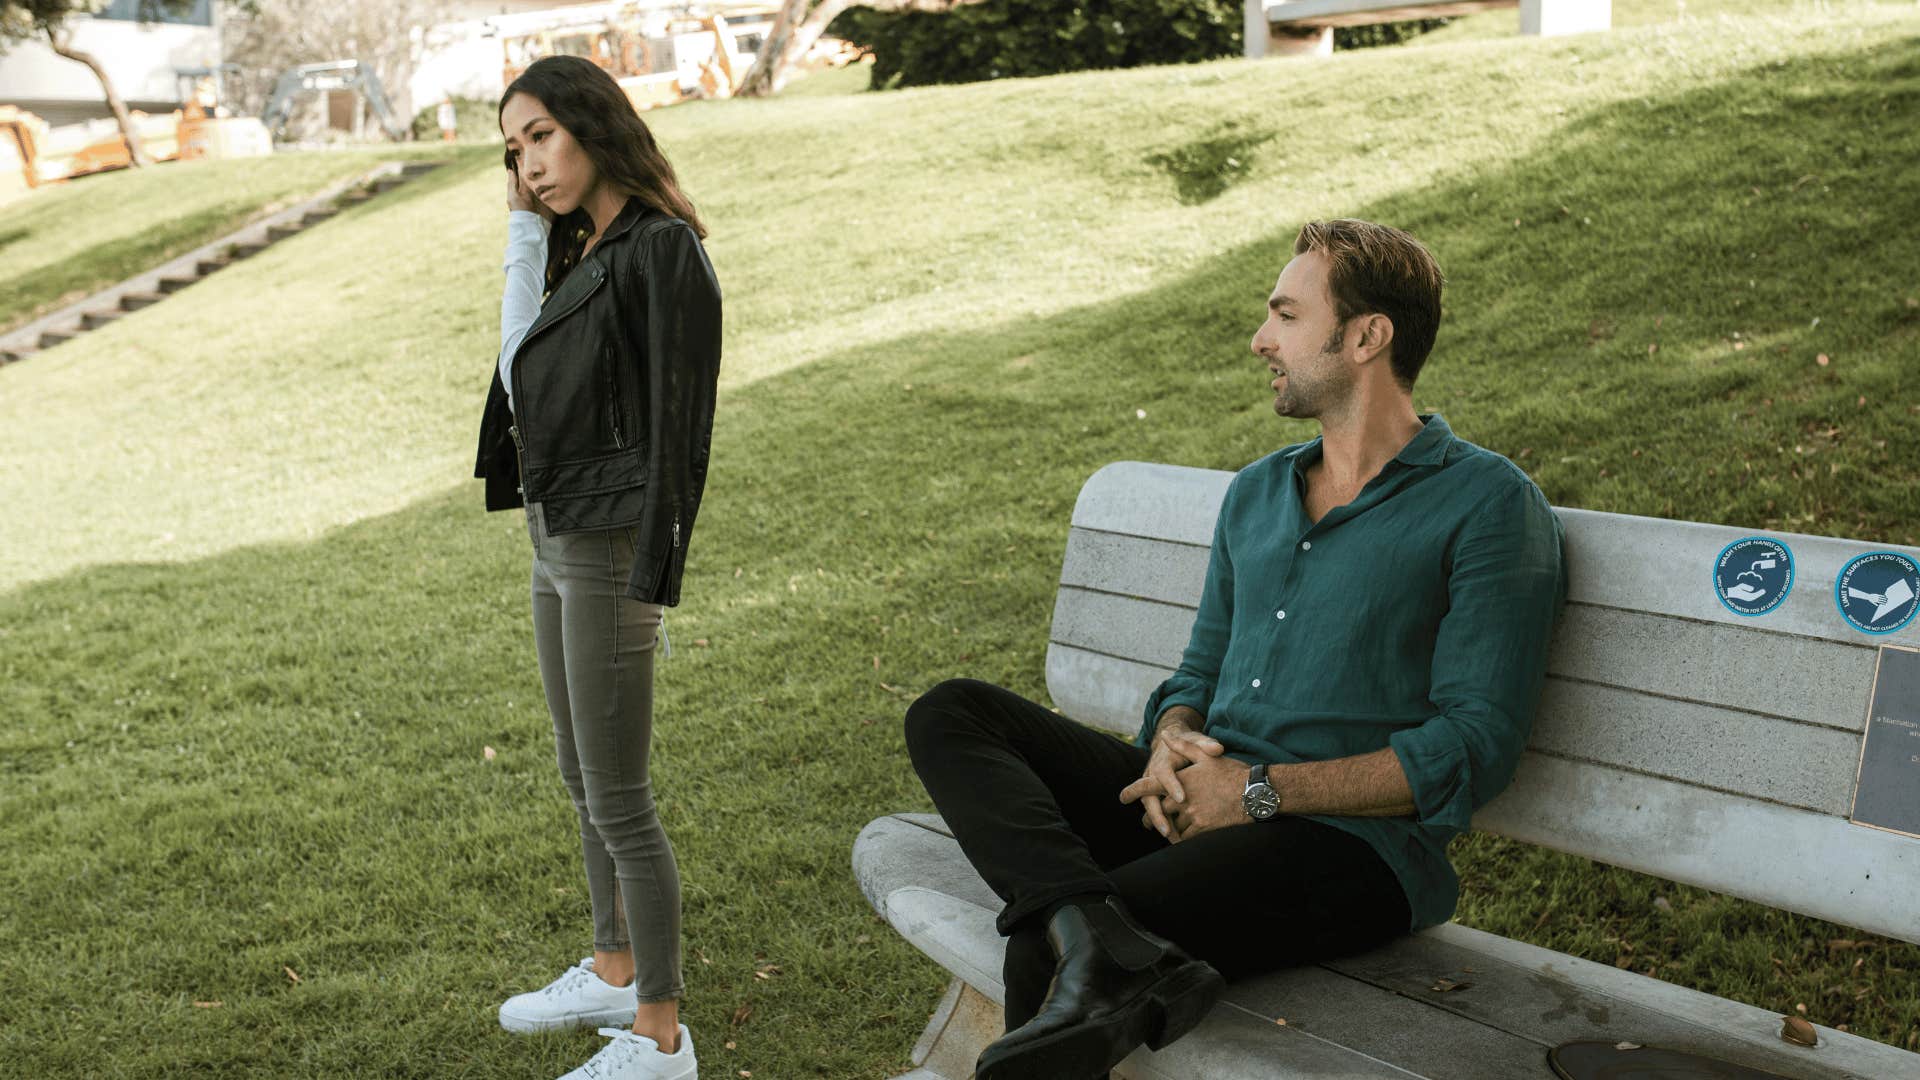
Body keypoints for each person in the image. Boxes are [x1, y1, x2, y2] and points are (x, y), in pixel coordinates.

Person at [903, 219, 1567, 1080]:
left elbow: (1475, 750)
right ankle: (1096, 929)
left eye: (1286, 316)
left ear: (1367, 337)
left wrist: (1253, 793)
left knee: (1049, 947)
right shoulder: (1258, 492)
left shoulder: (1487, 504)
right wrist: (1176, 734)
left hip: (1349, 849)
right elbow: (1197, 673)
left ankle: (1090, 937)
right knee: (952, 713)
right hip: (1205, 807)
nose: (1261, 340)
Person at [473, 53, 721, 1080]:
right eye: (513, 149)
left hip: (611, 541)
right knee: (581, 777)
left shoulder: (663, 252)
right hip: (554, 528)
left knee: (620, 794)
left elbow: (682, 425)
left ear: (591, 122)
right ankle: (613, 966)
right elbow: (515, 372)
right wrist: (528, 234)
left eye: (541, 135)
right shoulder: (584, 248)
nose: (530, 162)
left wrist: (651, 572)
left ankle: (660, 1033)